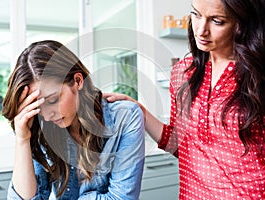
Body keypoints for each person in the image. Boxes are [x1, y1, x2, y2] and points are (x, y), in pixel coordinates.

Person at [104, 0, 265, 199]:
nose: (201, 30)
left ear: (242, 23)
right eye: (196, 14)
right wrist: (140, 111)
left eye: (217, 21)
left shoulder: (258, 75)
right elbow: (179, 145)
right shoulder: (184, 72)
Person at [2, 40, 145, 200]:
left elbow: (121, 198)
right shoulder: (42, 126)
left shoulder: (124, 117)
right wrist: (22, 140)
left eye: (52, 100)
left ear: (77, 81)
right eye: (38, 108)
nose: (47, 116)